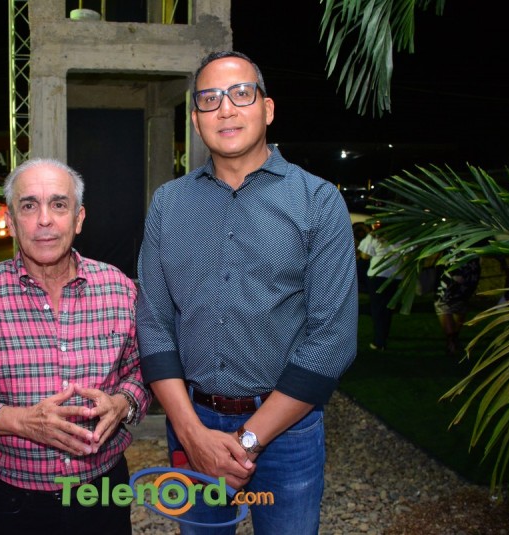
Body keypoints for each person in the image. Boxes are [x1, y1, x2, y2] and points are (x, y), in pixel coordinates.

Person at [136, 51, 358, 534]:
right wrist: (193, 435)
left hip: (287, 433)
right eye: (209, 99)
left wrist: (247, 440)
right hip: (191, 423)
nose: (225, 109)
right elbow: (153, 324)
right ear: (196, 120)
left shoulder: (318, 203)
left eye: (241, 94)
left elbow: (333, 339)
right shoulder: (168, 204)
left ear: (267, 108)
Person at [0, 158, 150, 535]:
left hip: (104, 491)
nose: (45, 220)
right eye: (29, 206)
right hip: (14, 501)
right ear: (11, 221)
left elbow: (142, 371)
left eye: (59, 204)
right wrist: (20, 422)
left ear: (78, 218)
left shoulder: (119, 290)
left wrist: (123, 403)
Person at [357, 225, 404, 351]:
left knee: (378, 308)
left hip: (377, 275)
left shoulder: (374, 236)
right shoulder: (402, 235)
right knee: (388, 307)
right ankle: (384, 334)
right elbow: (407, 254)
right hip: (395, 275)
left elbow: (365, 256)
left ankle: (379, 341)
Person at [434, 255, 481, 356]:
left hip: (454, 271)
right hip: (470, 273)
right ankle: (454, 338)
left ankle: (451, 342)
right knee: (460, 303)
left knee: (444, 305)